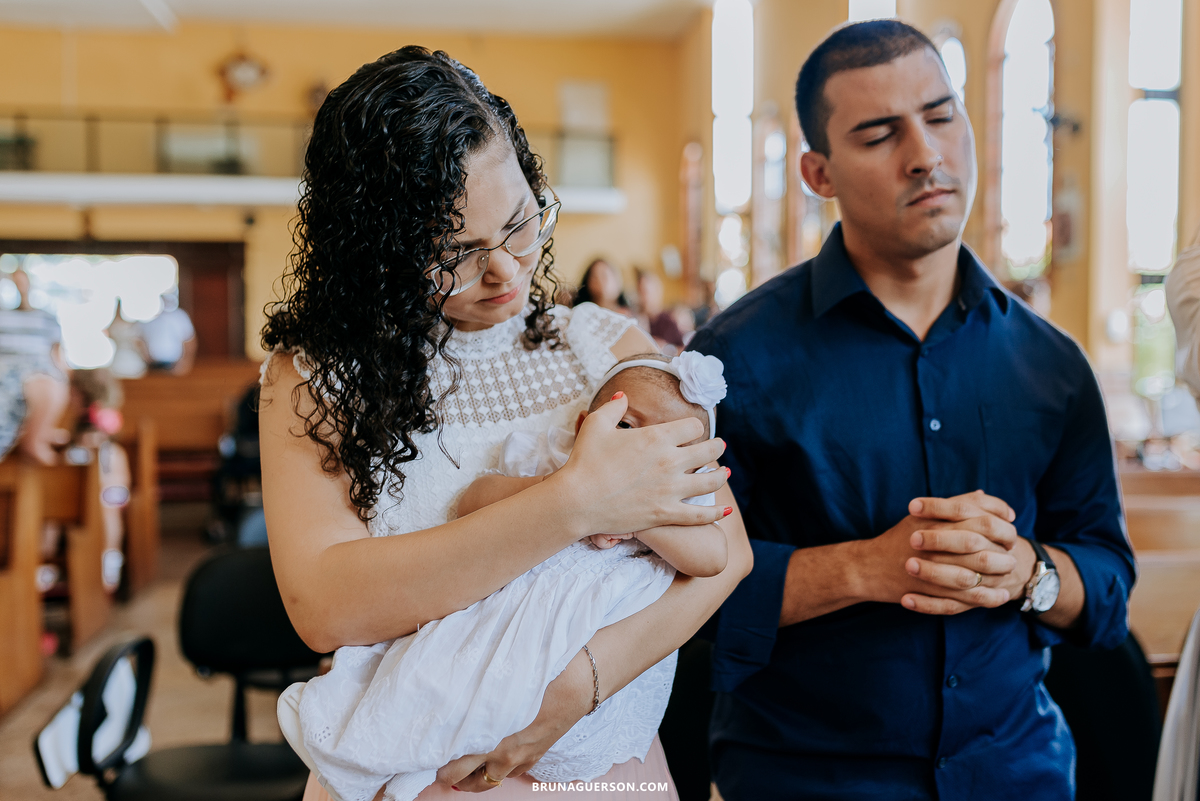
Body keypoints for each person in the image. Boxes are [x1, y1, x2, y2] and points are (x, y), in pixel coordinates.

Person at [257, 46, 749, 800]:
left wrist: (574, 689)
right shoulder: (316, 377)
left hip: (602, 771)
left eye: (522, 223)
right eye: (456, 252)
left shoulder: (609, 351)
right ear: (376, 252)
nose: (508, 271)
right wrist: (574, 503)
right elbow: (326, 604)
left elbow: (727, 551)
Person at [688, 21, 1134, 800]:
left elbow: (1108, 587)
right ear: (818, 173)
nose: (925, 153)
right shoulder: (732, 361)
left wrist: (1027, 571)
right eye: (879, 133)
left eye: (940, 114)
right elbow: (681, 609)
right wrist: (862, 567)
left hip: (1016, 773)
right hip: (804, 779)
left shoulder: (1052, 364)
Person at [278, 352, 729, 801]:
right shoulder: (552, 461)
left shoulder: (678, 505)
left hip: (585, 652)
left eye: (669, 446)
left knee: (495, 704)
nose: (639, 453)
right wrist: (579, 495)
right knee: (437, 678)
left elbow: (715, 558)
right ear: (581, 426)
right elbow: (476, 498)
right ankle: (362, 748)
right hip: (506, 612)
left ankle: (399, 766)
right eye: (627, 427)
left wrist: (635, 514)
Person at [0, 267, 70, 465]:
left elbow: (58, 357)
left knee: (49, 388)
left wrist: (64, 380)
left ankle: (38, 437)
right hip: (7, 377)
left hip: (38, 379)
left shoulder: (46, 319)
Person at [139, 292, 196, 374]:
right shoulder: (147, 319)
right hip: (152, 365)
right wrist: (146, 358)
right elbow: (140, 340)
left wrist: (185, 363)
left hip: (174, 364)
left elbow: (189, 341)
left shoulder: (179, 316)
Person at [635, 270, 685, 353]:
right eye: (641, 292)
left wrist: (667, 348)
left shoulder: (667, 321)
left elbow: (683, 351)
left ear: (657, 291)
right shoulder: (636, 319)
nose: (644, 297)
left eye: (647, 291)